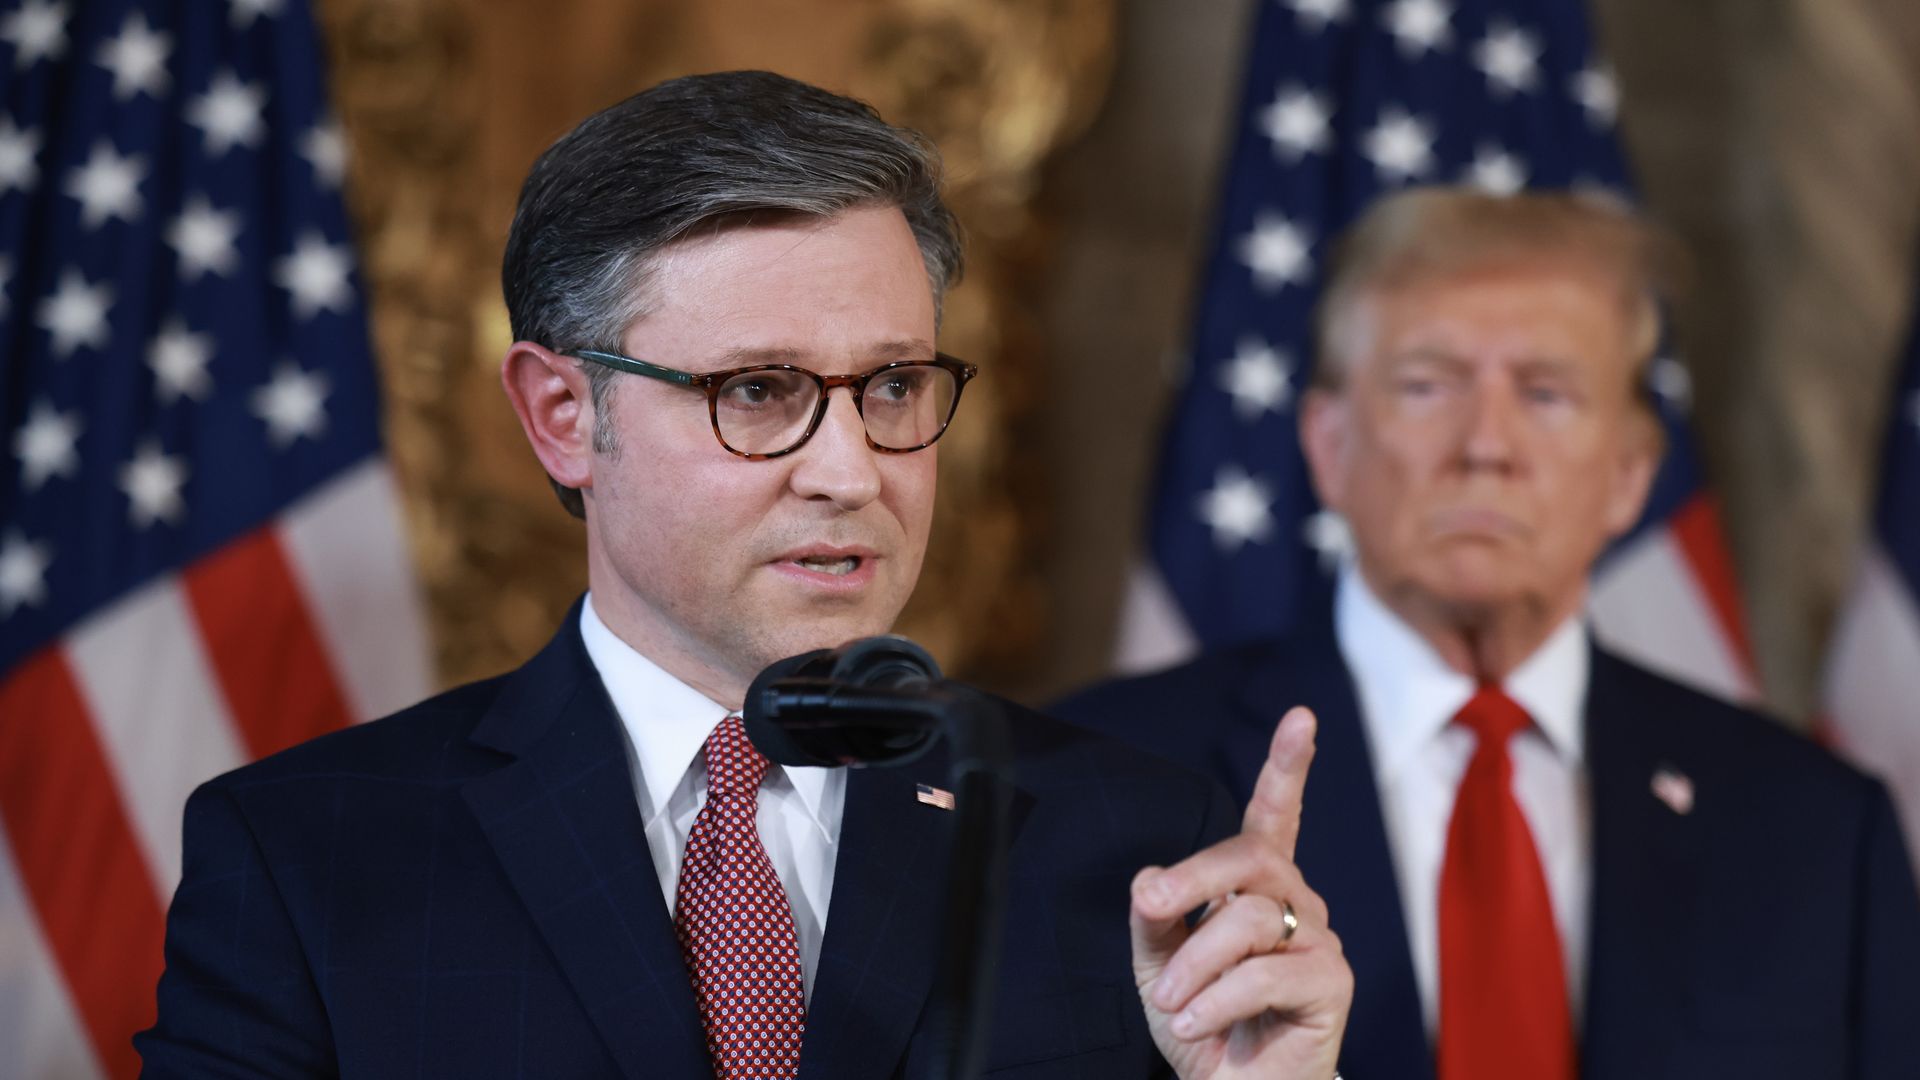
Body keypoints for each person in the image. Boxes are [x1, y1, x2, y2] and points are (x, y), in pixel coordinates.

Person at [135, 71, 1351, 1079]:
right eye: (757, 392)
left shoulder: (1138, 850)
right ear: (563, 414)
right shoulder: (308, 859)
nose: (851, 471)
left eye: (890, 388)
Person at [1058, 189, 1920, 1080]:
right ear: (1329, 445)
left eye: (1546, 393)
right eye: (1428, 385)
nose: (1486, 444)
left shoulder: (1816, 832)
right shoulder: (1105, 783)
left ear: (1630, 474)